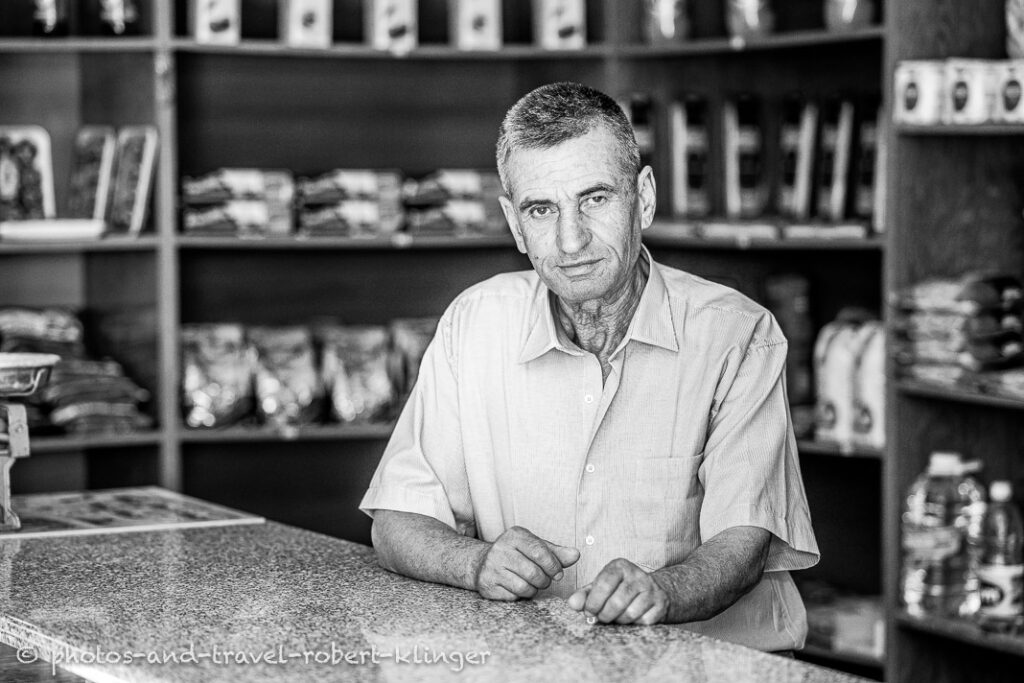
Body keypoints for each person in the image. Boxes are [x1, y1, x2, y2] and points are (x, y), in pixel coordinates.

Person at [360, 82, 819, 652]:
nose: (571, 238)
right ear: (514, 224)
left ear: (643, 199)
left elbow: (745, 541)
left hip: (715, 663)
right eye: (542, 209)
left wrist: (663, 592)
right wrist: (476, 562)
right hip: (543, 663)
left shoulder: (737, 334)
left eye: (595, 199)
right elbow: (397, 520)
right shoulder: (474, 324)